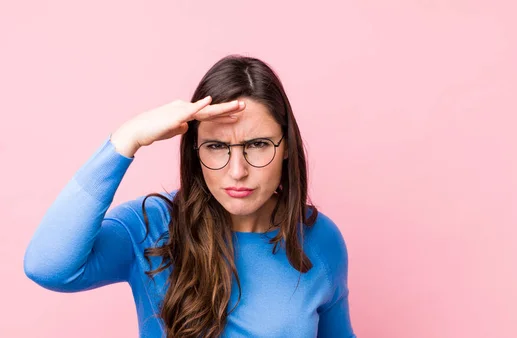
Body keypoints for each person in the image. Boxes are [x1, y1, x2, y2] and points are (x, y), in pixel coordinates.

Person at [23, 55, 356, 338]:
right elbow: (48, 267)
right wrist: (129, 137)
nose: (237, 170)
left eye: (257, 145)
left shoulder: (319, 239)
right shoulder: (151, 226)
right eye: (216, 147)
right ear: (194, 151)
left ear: (286, 147)